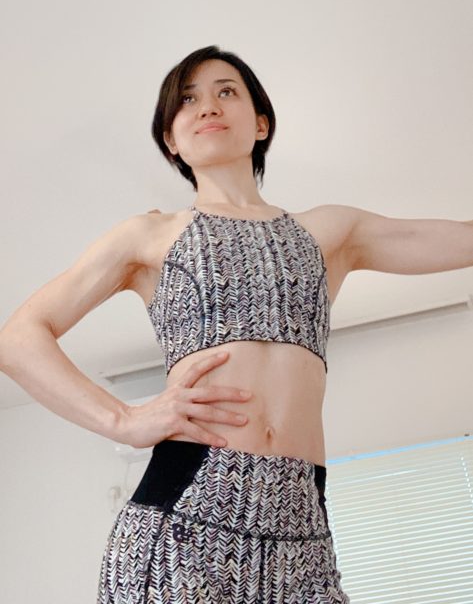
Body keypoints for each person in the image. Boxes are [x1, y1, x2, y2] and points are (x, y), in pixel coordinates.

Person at [1, 45, 471, 603]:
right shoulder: (149, 237)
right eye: (187, 100)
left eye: (227, 91)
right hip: (183, 524)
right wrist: (123, 419)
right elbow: (19, 340)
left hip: (303, 534)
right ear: (171, 140)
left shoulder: (330, 232)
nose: (208, 106)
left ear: (261, 122)